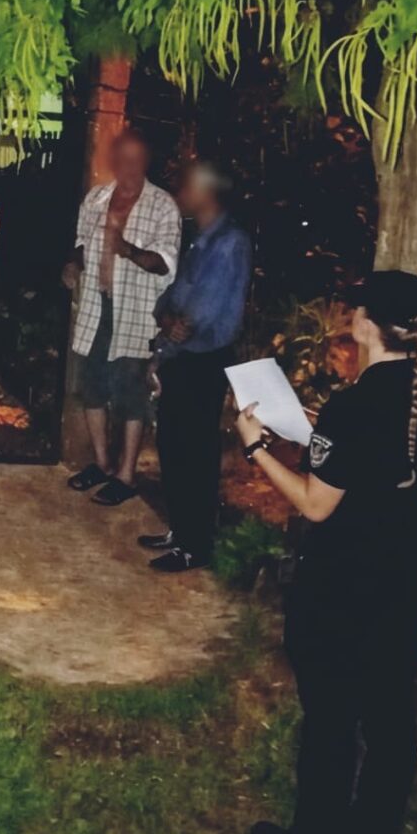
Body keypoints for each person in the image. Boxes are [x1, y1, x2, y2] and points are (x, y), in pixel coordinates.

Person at [233, 270, 417, 834]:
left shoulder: (352, 405)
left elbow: (315, 505)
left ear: (365, 325)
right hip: (403, 576)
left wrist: (256, 448)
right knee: (388, 708)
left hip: (340, 582)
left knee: (331, 718)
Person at [143, 160, 252, 572]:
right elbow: (166, 304)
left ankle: (195, 544)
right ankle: (181, 530)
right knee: (174, 446)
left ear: (207, 191)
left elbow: (194, 317)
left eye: (187, 185)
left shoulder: (229, 243)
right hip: (183, 358)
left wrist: (171, 324)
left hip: (203, 361)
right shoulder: (202, 239)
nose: (180, 191)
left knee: (195, 452)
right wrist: (168, 322)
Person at [63, 128, 181, 505]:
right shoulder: (96, 198)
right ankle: (101, 463)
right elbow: (82, 244)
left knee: (132, 395)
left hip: (136, 314)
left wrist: (127, 250)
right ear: (113, 160)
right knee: (91, 389)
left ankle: (126, 475)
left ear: (146, 162)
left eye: (136, 159)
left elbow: (166, 264)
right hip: (96, 308)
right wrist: (73, 265)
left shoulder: (163, 206)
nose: (128, 166)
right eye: (122, 158)